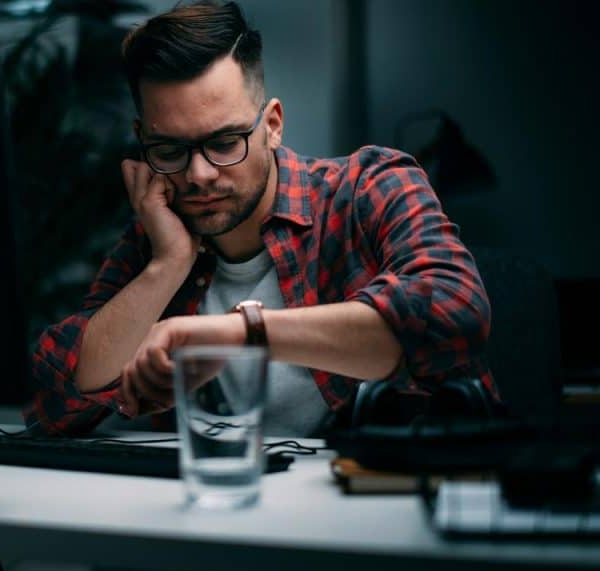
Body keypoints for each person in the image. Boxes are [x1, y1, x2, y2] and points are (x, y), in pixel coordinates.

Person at [25, 0, 495, 438]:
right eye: (169, 150)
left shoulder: (368, 186)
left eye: (226, 142)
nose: (199, 175)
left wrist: (232, 333)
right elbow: (51, 398)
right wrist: (167, 264)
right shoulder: (159, 237)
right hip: (220, 511)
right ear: (142, 141)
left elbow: (455, 311)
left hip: (384, 498)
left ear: (271, 125)